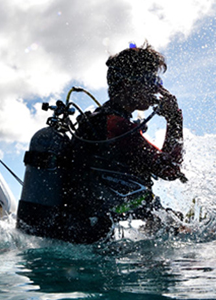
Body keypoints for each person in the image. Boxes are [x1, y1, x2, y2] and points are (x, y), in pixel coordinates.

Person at [67, 42, 185, 241]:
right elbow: (169, 169)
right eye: (151, 80)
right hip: (88, 235)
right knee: (174, 225)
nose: (156, 89)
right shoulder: (114, 125)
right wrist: (174, 119)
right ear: (126, 84)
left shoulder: (104, 120)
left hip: (86, 227)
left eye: (158, 81)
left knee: (170, 220)